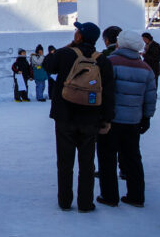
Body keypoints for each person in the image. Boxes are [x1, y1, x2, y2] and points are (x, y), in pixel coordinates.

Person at [43, 21, 114, 212]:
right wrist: (106, 119)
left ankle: (65, 201)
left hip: (65, 115)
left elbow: (47, 65)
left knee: (65, 162)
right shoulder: (102, 60)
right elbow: (108, 92)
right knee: (87, 162)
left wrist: (68, 47)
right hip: (90, 117)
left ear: (79, 36)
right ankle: (85, 202)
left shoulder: (66, 54)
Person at [96, 30, 157, 208]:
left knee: (107, 158)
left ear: (120, 43)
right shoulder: (146, 68)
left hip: (111, 120)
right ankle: (136, 196)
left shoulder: (111, 63)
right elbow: (150, 97)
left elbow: (104, 92)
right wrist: (146, 118)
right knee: (133, 159)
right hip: (133, 121)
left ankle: (109, 196)